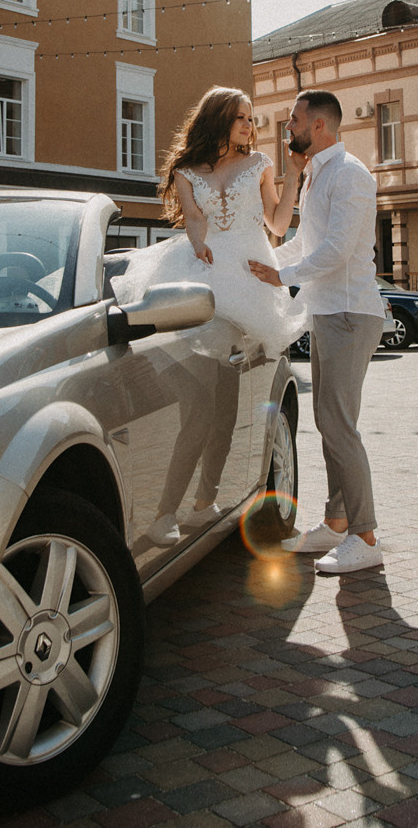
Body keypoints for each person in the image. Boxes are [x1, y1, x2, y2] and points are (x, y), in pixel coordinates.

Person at [111, 87, 308, 545]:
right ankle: (165, 513)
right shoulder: (186, 171)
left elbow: (277, 225)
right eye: (240, 117)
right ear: (218, 118)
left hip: (247, 278)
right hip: (202, 273)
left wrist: (294, 176)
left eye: (251, 118)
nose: (248, 125)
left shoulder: (260, 165)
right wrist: (199, 242)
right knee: (201, 409)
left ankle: (204, 503)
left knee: (225, 408)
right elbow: (195, 219)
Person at [247, 89, 384, 575]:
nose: (288, 129)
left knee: (338, 424)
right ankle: (336, 522)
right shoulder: (315, 176)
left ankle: (365, 537)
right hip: (327, 313)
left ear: (320, 126)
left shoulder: (351, 175)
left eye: (294, 121)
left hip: (351, 312)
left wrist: (281, 277)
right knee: (329, 422)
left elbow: (337, 252)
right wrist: (263, 265)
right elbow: (306, 242)